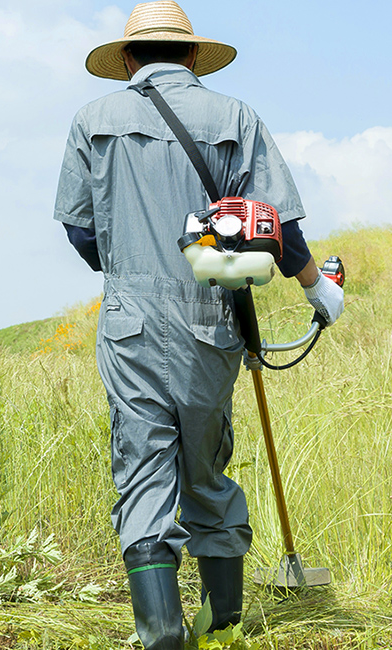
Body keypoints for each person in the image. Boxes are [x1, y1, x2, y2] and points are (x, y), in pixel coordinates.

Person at [53, 2, 344, 648]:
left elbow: (79, 229)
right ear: (191, 56)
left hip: (127, 325)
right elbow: (275, 228)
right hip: (209, 322)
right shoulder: (235, 118)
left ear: (128, 60)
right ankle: (224, 629)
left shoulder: (91, 121)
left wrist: (127, 262)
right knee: (207, 471)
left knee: (142, 473)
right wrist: (319, 289)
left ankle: (162, 636)